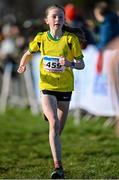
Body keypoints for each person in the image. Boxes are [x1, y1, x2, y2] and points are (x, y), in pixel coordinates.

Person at [17, 4, 85, 179]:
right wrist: (23, 64)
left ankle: (50, 118)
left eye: (60, 17)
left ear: (64, 20)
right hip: (47, 87)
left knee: (57, 132)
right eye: (54, 17)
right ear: (46, 20)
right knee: (53, 124)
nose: (57, 20)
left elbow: (81, 64)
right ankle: (58, 167)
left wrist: (69, 64)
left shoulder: (70, 40)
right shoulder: (41, 38)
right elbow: (28, 52)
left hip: (65, 88)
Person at [93, 1, 119, 74]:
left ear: (99, 13)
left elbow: (103, 44)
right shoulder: (112, 20)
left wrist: (93, 46)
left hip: (111, 56)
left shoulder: (107, 26)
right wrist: (98, 30)